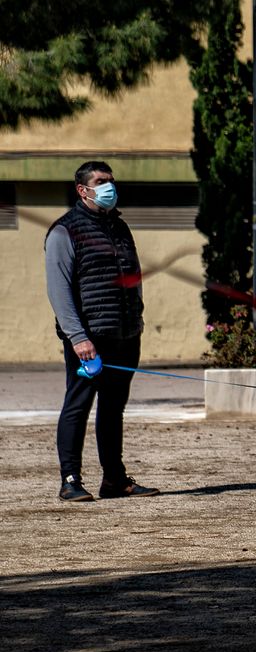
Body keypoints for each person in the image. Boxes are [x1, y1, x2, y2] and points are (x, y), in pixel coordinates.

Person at [44, 161, 160, 502]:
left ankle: (114, 480)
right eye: (101, 181)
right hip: (89, 339)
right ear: (83, 189)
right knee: (78, 405)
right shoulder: (64, 231)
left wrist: (136, 320)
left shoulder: (120, 227)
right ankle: (70, 480)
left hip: (124, 334)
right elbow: (59, 290)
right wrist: (78, 337)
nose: (110, 186)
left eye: (111, 180)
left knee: (113, 407)